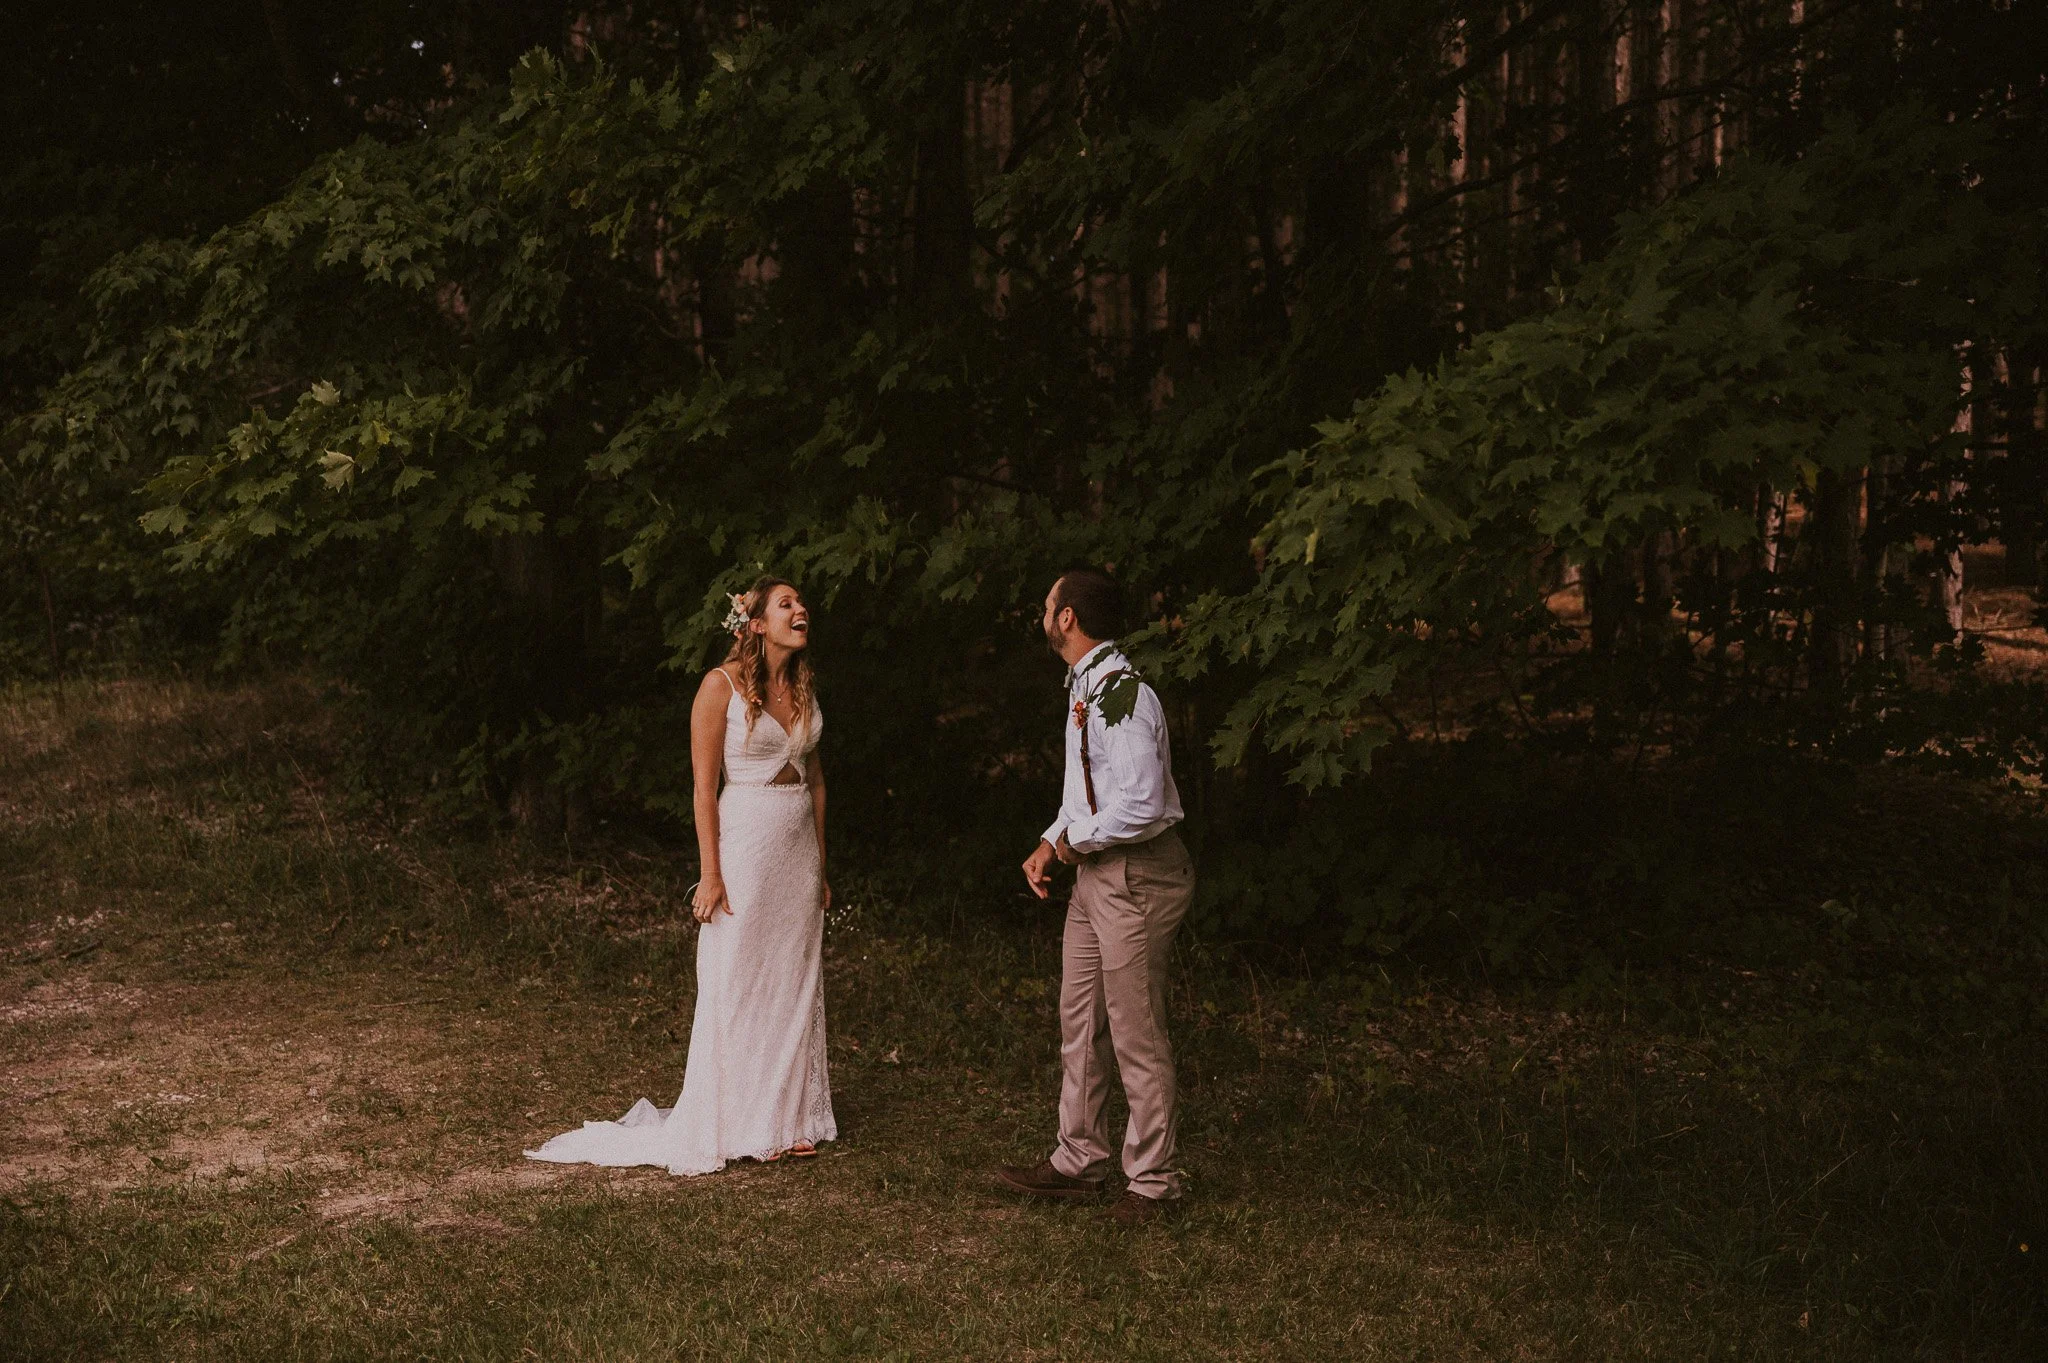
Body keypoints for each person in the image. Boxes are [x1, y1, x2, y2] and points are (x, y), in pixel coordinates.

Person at [525, 576, 836, 1174]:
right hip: (745, 844)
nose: (801, 610)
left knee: (793, 980)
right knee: (740, 979)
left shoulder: (801, 685)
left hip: (796, 853)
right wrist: (710, 874)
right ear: (754, 625)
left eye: (801, 602)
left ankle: (789, 1116)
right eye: (786, 604)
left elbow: (817, 781)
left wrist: (821, 866)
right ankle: (740, 1118)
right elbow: (702, 789)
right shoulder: (717, 688)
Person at [998, 568, 1196, 1226]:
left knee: (1136, 1028)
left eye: (1049, 600)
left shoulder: (1124, 696)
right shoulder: (1089, 684)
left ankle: (1154, 1182)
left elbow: (1139, 804)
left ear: (1067, 618)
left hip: (1136, 873)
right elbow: (1090, 789)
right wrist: (1051, 837)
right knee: (1079, 1020)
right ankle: (1078, 1156)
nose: (1043, 608)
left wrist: (1068, 844)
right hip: (1095, 873)